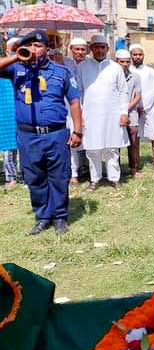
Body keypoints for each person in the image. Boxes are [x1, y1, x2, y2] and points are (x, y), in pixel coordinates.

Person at [0, 30, 82, 234]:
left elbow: (74, 101)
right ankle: (42, 217)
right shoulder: (16, 68)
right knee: (34, 177)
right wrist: (15, 56)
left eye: (38, 46)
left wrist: (78, 130)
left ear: (46, 48)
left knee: (59, 176)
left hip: (55, 134)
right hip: (28, 135)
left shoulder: (61, 71)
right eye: (30, 46)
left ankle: (60, 217)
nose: (34, 50)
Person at [77, 34, 129, 191]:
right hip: (90, 115)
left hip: (112, 114)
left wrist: (124, 112)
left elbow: (123, 91)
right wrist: (80, 116)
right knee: (92, 149)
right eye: (96, 47)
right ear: (91, 49)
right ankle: (95, 179)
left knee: (112, 148)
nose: (99, 50)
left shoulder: (115, 68)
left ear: (107, 48)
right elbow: (78, 92)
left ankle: (114, 178)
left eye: (102, 47)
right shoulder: (82, 67)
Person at [130, 44, 154, 173]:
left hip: (149, 108)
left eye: (140, 54)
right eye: (135, 54)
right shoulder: (128, 71)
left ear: (143, 55)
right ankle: (135, 165)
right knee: (135, 138)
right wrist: (136, 106)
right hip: (133, 108)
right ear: (131, 56)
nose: (138, 57)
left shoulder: (150, 71)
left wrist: (145, 107)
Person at [63, 38, 88, 184]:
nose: (80, 52)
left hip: (89, 105)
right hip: (70, 106)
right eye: (77, 49)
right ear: (71, 49)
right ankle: (73, 173)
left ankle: (90, 170)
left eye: (82, 49)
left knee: (89, 139)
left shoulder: (90, 64)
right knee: (73, 137)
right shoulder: (64, 63)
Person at [115, 49, 142, 177]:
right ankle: (115, 170)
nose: (125, 64)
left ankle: (134, 169)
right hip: (115, 114)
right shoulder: (112, 76)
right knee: (116, 142)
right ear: (116, 62)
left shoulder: (135, 76)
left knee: (133, 142)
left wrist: (126, 108)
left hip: (132, 113)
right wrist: (121, 110)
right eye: (122, 62)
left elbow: (137, 96)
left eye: (127, 62)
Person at [1, 37, 19, 189]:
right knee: (8, 146)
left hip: (23, 111)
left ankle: (27, 175)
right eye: (13, 49)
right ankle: (11, 177)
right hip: (6, 113)